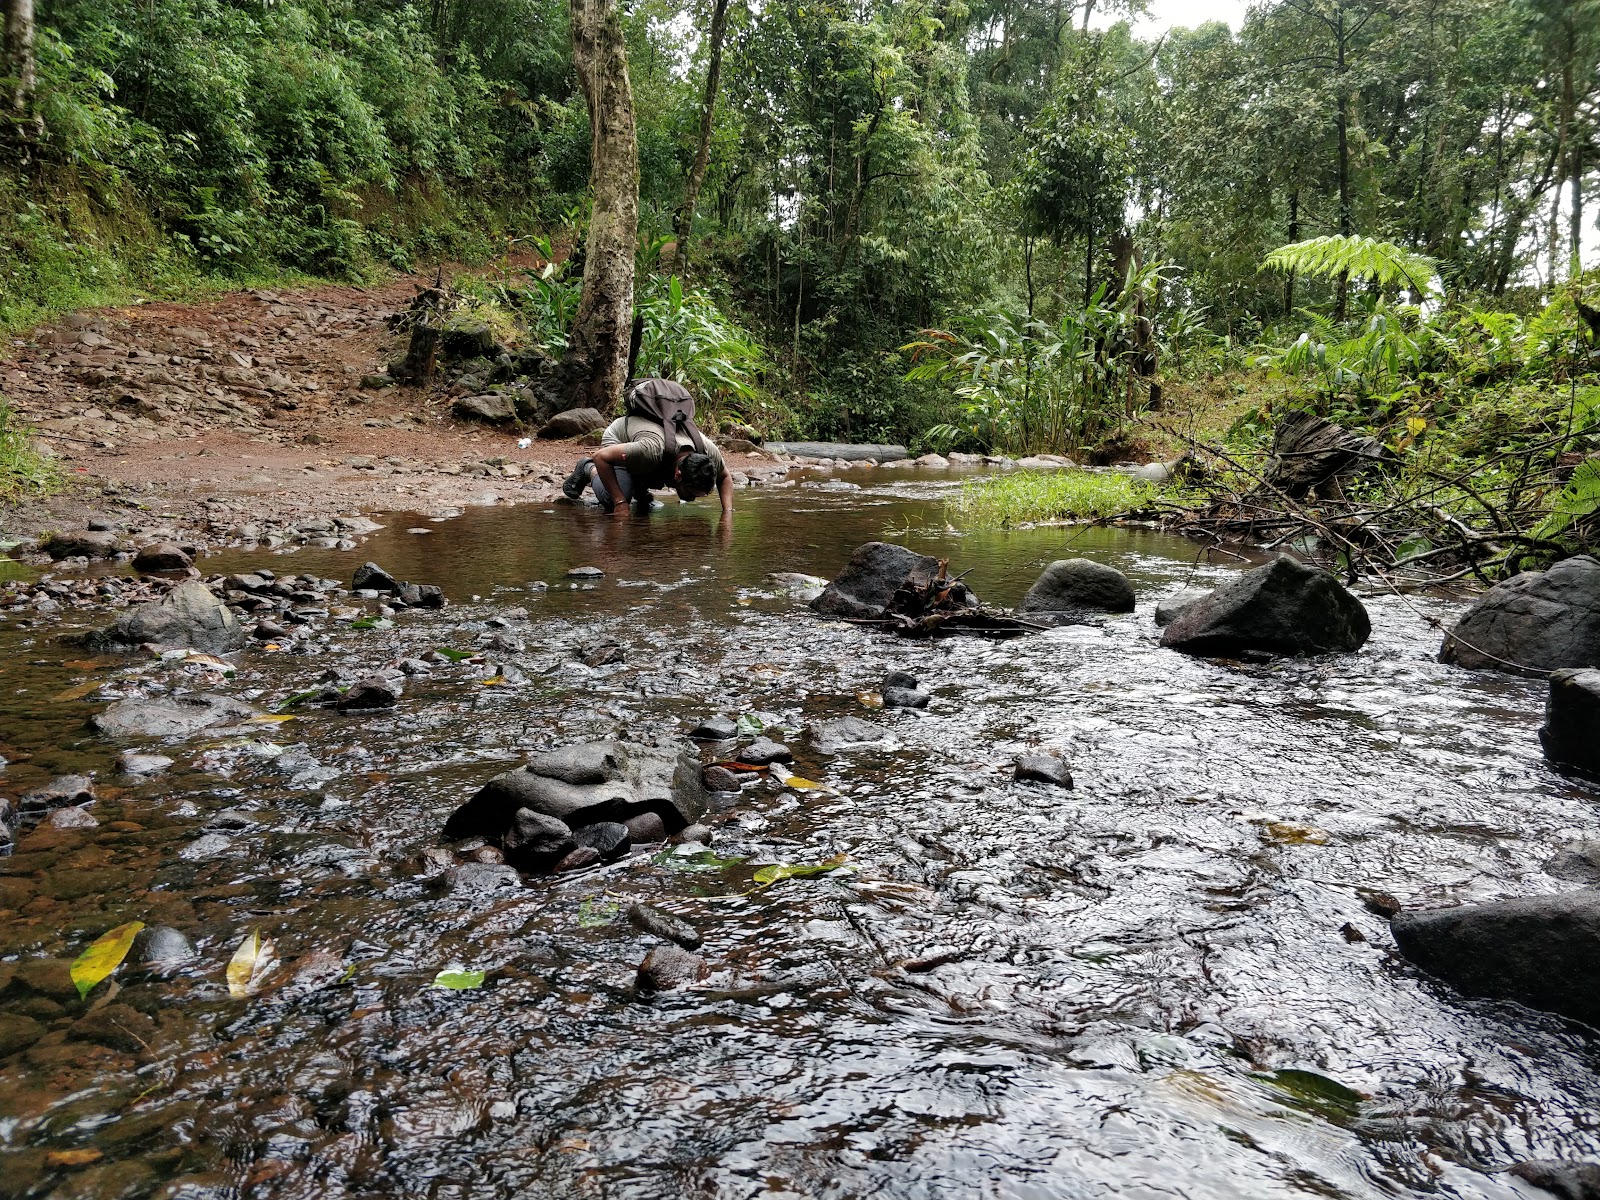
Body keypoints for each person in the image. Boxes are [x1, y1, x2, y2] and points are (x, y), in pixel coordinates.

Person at [561, 412, 733, 517]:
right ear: (678, 475)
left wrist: (727, 513)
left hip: (648, 452)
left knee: (644, 490)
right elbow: (600, 456)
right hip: (620, 438)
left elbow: (725, 476)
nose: (693, 499)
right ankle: (587, 468)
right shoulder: (650, 449)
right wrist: (620, 502)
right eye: (691, 493)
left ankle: (638, 487)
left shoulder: (708, 452)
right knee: (612, 499)